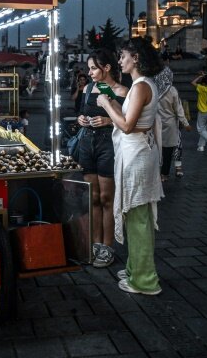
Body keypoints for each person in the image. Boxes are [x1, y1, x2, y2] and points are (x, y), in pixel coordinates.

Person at [96, 37, 164, 295]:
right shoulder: (142, 85)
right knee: (138, 217)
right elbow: (129, 119)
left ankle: (145, 281)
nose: (120, 60)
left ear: (135, 58)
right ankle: (137, 267)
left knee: (137, 219)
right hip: (138, 152)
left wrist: (105, 104)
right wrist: (113, 103)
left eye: (123, 55)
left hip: (137, 155)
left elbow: (126, 125)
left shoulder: (140, 86)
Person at [77, 49, 128, 269]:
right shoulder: (88, 89)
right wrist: (81, 119)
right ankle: (96, 243)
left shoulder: (121, 90)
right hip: (88, 144)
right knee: (93, 197)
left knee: (107, 198)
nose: (90, 73)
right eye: (89, 68)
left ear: (106, 68)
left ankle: (108, 246)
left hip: (109, 145)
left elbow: (127, 120)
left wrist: (107, 122)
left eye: (94, 68)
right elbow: (82, 111)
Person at [154, 67, 190, 181]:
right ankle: (164, 174)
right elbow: (178, 109)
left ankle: (157, 173)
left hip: (156, 124)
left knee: (157, 150)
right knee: (168, 152)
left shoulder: (154, 89)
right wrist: (185, 123)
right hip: (170, 126)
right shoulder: (172, 90)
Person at [191, 72, 207, 152]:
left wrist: (200, 76)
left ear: (204, 83)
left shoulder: (202, 88)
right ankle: (201, 146)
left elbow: (193, 82)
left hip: (203, 111)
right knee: (205, 130)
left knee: (200, 129)